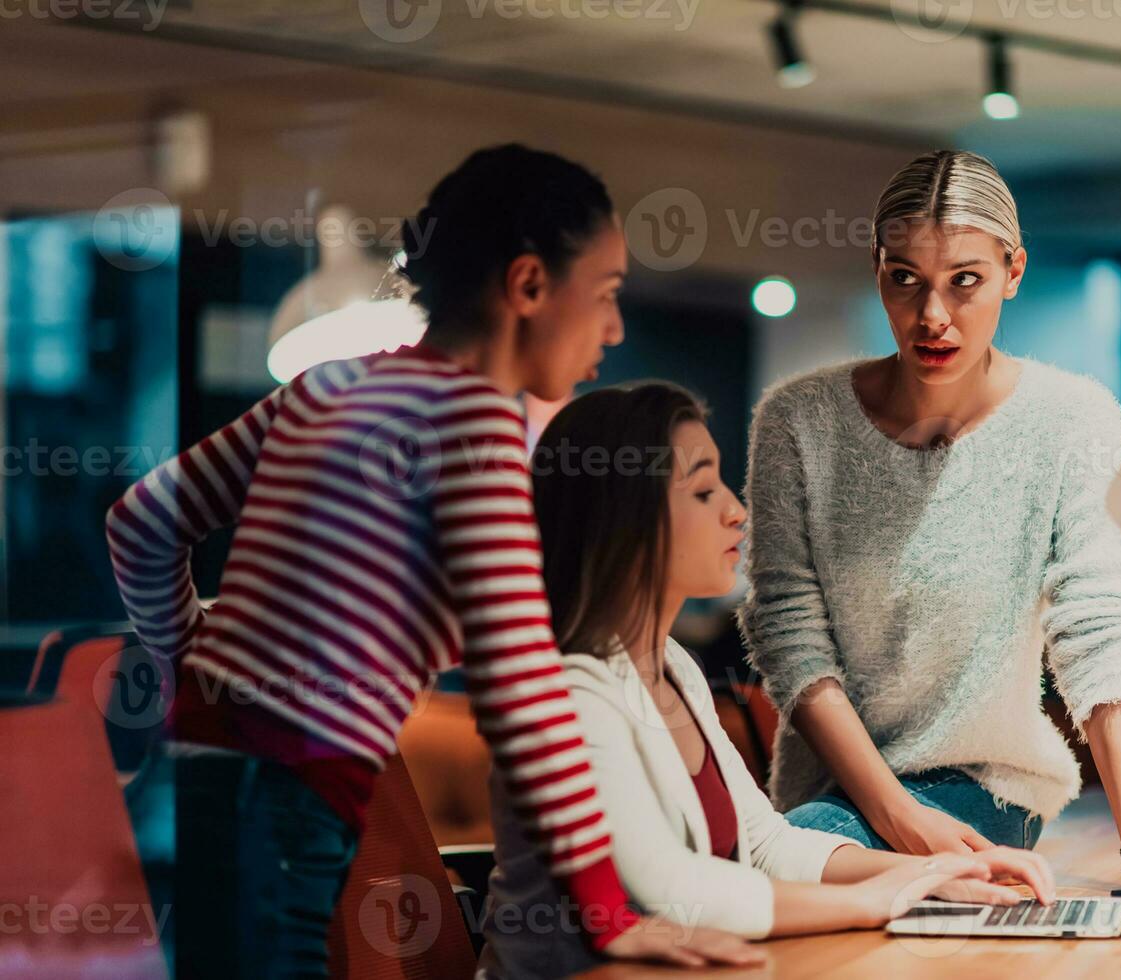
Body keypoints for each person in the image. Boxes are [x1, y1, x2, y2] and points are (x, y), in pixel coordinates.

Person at [107, 144, 762, 978]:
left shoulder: (327, 386)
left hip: (184, 782)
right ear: (528, 287)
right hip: (285, 794)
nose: (616, 327)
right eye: (602, 295)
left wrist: (190, 663)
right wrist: (608, 918)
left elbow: (142, 521)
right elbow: (522, 688)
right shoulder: (473, 426)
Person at [737, 149, 1121, 898]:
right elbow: (790, 636)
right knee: (771, 871)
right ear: (877, 268)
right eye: (906, 281)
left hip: (985, 785)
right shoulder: (797, 421)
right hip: (831, 797)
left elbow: (1099, 625)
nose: (932, 316)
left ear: (1013, 271)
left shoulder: (1072, 420)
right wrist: (894, 812)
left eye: (965, 282)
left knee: (805, 886)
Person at [482, 382, 1057, 978]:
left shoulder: (674, 666)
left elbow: (764, 846)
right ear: (626, 520)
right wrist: (870, 901)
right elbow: (668, 886)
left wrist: (928, 874)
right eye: (703, 491)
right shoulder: (571, 692)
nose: (736, 510)